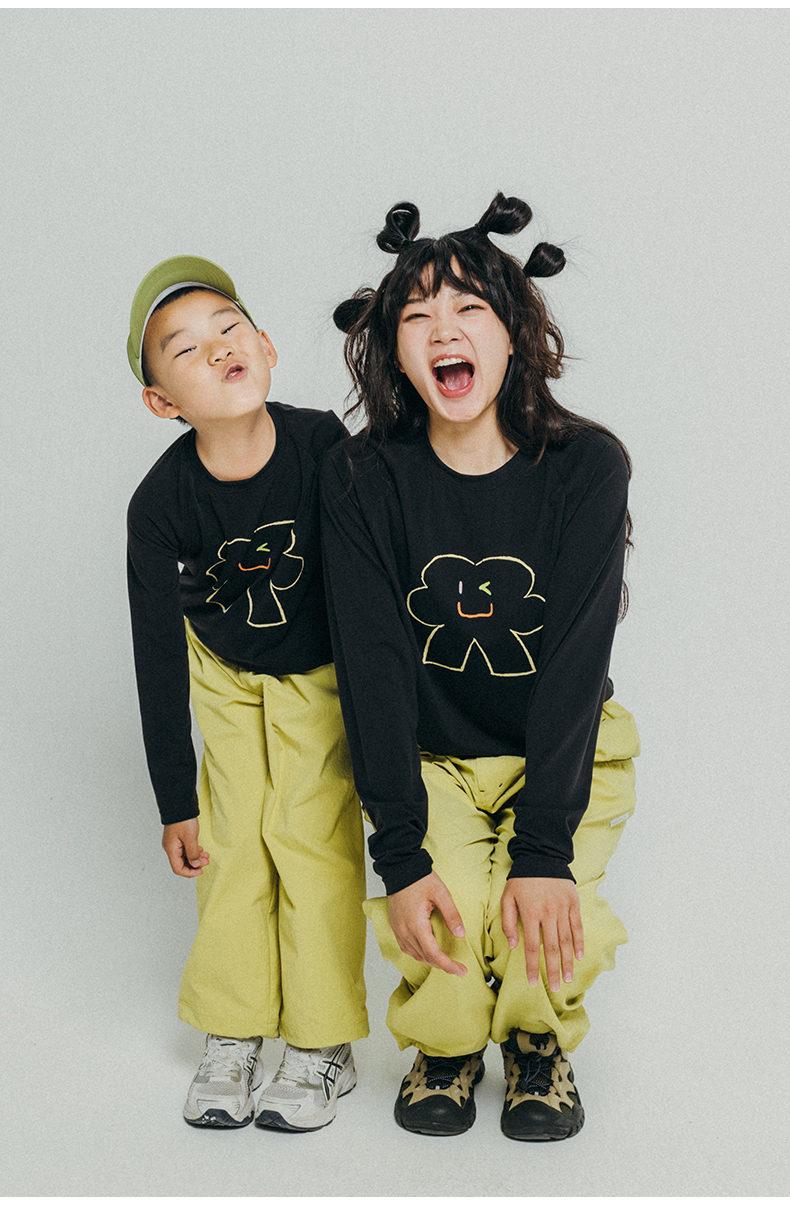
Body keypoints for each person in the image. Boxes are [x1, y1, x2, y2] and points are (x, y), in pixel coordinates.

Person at [320, 194, 640, 1141]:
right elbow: (371, 665)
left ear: (514, 333)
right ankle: (449, 1048)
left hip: (565, 747)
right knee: (449, 912)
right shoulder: (361, 477)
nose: (443, 331)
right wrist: (401, 849)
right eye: (417, 316)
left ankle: (538, 1045)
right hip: (432, 757)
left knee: (543, 917)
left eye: (469, 309)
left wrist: (543, 853)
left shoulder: (587, 467)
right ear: (392, 349)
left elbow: (577, 660)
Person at [126, 256, 368, 1132]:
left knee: (310, 841)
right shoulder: (159, 504)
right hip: (224, 671)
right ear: (163, 401)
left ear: (265, 346)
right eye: (186, 349)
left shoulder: (322, 445)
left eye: (229, 329)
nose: (218, 348)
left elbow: (372, 577)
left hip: (318, 669)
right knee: (232, 847)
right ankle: (234, 1030)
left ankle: (322, 1042)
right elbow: (156, 653)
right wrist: (174, 800)